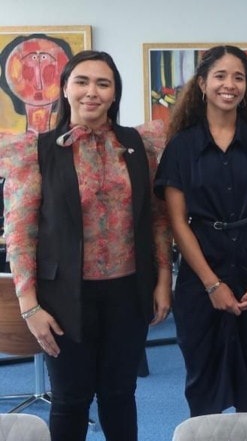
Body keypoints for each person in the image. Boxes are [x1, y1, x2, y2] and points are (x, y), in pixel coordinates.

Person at [0, 50, 172, 441]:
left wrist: (163, 279)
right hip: (62, 297)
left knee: (119, 394)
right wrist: (29, 307)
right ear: (65, 89)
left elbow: (157, 217)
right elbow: (21, 232)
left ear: (114, 94)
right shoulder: (37, 151)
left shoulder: (139, 146)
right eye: (82, 81)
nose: (91, 92)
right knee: (70, 399)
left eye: (103, 83)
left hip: (128, 292)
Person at [154, 45, 247, 416]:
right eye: (220, 76)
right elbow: (178, 222)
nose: (230, 85)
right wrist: (213, 284)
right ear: (202, 83)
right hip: (201, 280)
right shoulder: (181, 148)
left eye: (239, 77)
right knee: (203, 384)